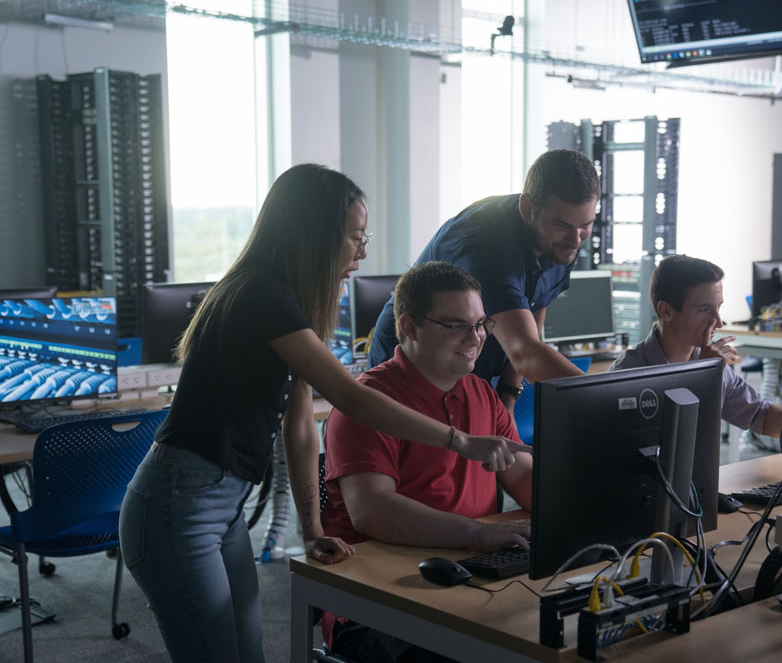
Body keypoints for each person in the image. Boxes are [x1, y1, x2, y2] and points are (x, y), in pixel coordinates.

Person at [119, 165, 524, 663]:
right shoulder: (259, 295)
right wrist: (458, 440)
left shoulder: (287, 302)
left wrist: (311, 528)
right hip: (179, 502)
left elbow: (299, 422)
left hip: (220, 503)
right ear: (315, 235)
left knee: (248, 653)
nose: (363, 250)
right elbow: (349, 398)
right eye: (355, 236)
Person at [320, 261, 533, 661]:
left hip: (469, 581)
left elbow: (524, 479)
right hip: (376, 605)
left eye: (481, 324)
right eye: (456, 325)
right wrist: (477, 535)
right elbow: (372, 511)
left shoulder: (482, 394)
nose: (476, 338)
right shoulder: (367, 403)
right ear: (410, 327)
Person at [366, 149, 600, 411]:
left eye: (586, 225)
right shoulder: (486, 246)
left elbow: (536, 310)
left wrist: (508, 395)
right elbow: (524, 351)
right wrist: (606, 401)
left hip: (468, 376)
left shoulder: (560, 240)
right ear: (527, 209)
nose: (575, 239)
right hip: (410, 375)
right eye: (563, 225)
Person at [611, 254, 782, 438]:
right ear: (666, 311)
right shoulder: (627, 374)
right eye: (704, 310)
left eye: (718, 307)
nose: (719, 322)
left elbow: (761, 416)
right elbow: (662, 442)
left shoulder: (708, 360)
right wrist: (702, 379)